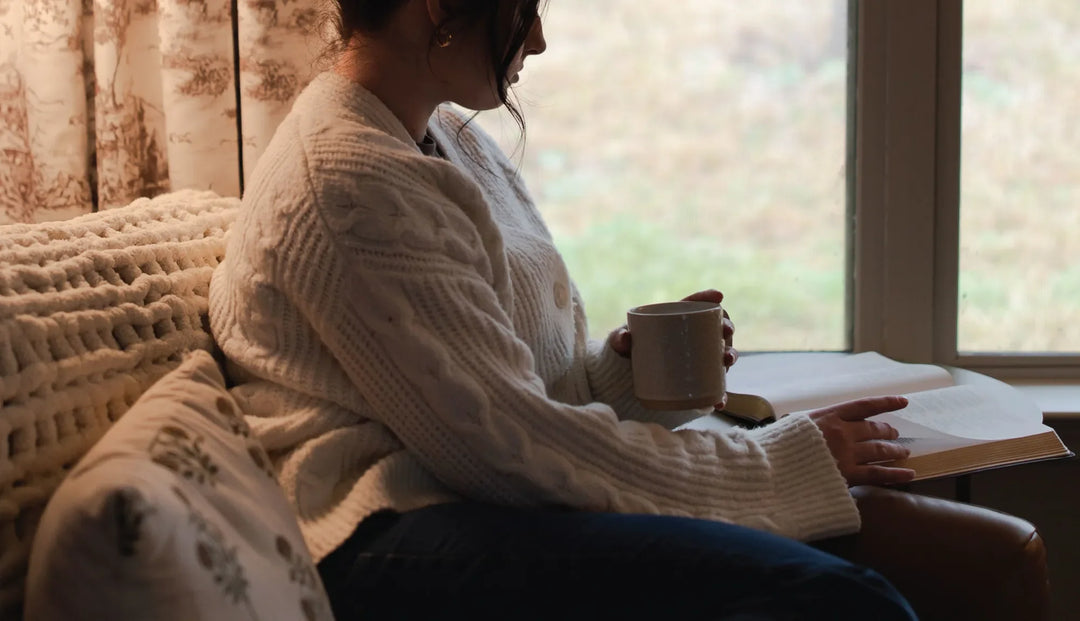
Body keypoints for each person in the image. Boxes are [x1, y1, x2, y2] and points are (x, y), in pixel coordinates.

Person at [208, 0, 920, 618]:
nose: (539, 39)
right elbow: (513, 448)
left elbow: (502, 396)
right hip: (387, 538)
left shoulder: (446, 137)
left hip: (465, 494)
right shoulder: (351, 176)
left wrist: (625, 381)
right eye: (523, 8)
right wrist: (773, 463)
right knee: (842, 601)